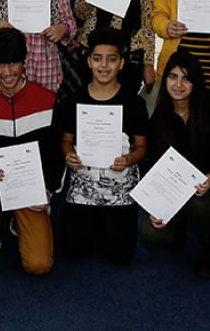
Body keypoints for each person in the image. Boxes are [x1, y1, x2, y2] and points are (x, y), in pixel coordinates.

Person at [0, 28, 63, 275]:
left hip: (31, 187)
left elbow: (58, 154)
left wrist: (49, 190)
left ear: (25, 62)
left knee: (39, 266)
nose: (7, 73)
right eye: (0, 65)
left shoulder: (47, 101)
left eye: (14, 63)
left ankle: (19, 217)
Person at [58, 28, 148, 264]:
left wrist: (128, 160)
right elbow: (66, 141)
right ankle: (92, 221)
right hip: (84, 183)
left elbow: (142, 147)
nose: (104, 66)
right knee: (74, 250)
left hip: (119, 185)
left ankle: (108, 223)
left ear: (121, 63)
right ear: (89, 61)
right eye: (97, 59)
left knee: (120, 256)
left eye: (112, 59)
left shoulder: (134, 102)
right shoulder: (74, 100)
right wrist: (69, 155)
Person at [141, 50, 210, 278]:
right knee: (152, 234)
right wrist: (156, 205)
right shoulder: (160, 116)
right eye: (173, 77)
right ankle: (181, 224)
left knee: (199, 205)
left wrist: (209, 180)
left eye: (186, 78)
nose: (178, 84)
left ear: (195, 82)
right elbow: (154, 166)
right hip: (174, 189)